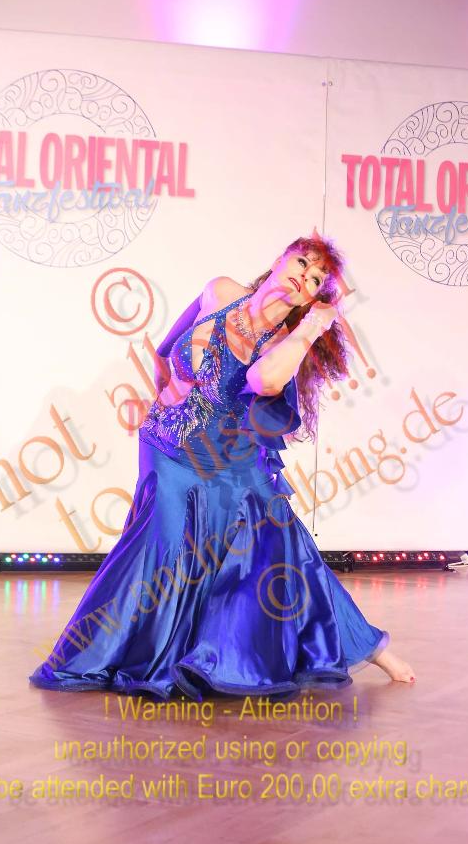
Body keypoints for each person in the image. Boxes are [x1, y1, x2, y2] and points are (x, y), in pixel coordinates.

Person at [29, 230, 415, 701]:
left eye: (316, 280)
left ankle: (373, 649)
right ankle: (127, 653)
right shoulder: (220, 291)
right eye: (301, 263)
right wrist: (166, 406)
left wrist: (311, 329)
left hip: (230, 461)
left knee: (287, 544)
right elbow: (166, 353)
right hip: (167, 447)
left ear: (313, 298)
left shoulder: (285, 342)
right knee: (162, 546)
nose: (304, 277)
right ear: (280, 259)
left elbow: (264, 380)